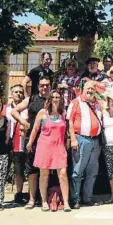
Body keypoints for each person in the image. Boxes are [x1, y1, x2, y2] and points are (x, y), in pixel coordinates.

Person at [11, 76, 51, 209]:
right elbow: (14, 111)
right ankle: (32, 199)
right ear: (38, 87)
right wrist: (24, 122)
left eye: (47, 85)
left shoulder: (54, 100)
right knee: (32, 171)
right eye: (42, 85)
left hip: (48, 140)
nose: (44, 87)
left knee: (45, 171)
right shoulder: (31, 99)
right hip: (32, 140)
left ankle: (44, 199)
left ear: (50, 86)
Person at [27, 90, 71, 212]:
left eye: (58, 97)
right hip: (44, 146)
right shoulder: (43, 113)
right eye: (53, 97)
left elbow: (68, 130)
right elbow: (35, 129)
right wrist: (30, 143)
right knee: (44, 174)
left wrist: (69, 141)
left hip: (59, 146)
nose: (56, 99)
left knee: (62, 174)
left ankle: (66, 202)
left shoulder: (63, 113)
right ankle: (44, 201)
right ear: (50, 99)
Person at [67, 80, 104, 209]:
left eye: (92, 89)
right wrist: (73, 139)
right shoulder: (75, 102)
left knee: (92, 171)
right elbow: (70, 121)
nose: (90, 91)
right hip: (81, 139)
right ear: (83, 89)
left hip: (96, 140)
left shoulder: (98, 104)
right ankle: (75, 199)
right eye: (88, 88)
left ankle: (87, 198)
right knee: (78, 170)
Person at [5, 84, 27, 204]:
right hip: (6, 143)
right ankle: (0, 194)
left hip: (20, 142)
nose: (18, 94)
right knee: (4, 168)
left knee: (19, 169)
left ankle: (19, 193)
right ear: (11, 94)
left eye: (20, 92)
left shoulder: (26, 108)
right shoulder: (5, 109)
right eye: (16, 92)